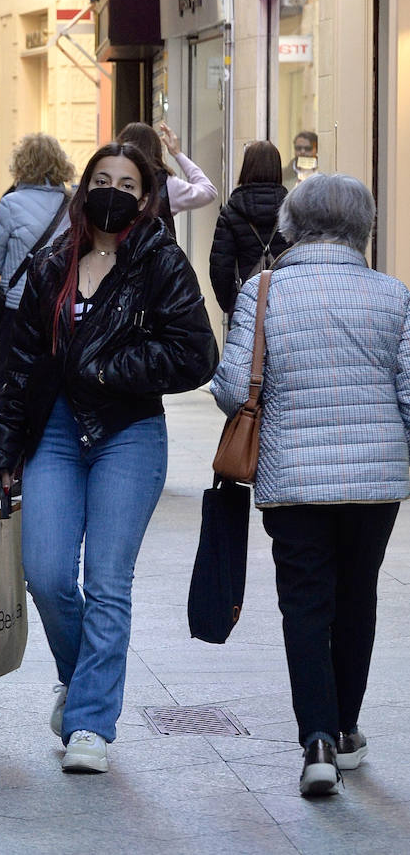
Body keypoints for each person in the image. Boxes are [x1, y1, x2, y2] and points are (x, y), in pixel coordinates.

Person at [0, 141, 217, 775]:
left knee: (107, 582)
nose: (113, 191)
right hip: (55, 432)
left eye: (128, 183)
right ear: (84, 188)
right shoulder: (52, 261)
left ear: (146, 199)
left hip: (129, 431)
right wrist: (4, 449)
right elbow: (20, 366)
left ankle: (90, 724)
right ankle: (79, 679)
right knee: (49, 574)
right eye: (102, 179)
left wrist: (109, 367)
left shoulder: (161, 263)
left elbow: (197, 355)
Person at [211, 173, 410, 799]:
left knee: (303, 600)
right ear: (364, 228)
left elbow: (229, 387)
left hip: (292, 477)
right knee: (358, 595)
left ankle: (316, 740)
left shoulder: (262, 292)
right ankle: (346, 729)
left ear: (290, 226)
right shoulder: (393, 296)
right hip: (375, 481)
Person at [0, 133, 74, 388]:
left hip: (16, 305)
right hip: (58, 305)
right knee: (52, 381)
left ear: (21, 164)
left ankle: (7, 425)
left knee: (8, 379)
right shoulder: (72, 205)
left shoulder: (10, 204)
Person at [208, 140, 288, 319]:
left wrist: (230, 304)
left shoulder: (231, 212)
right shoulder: (293, 211)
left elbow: (220, 268)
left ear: (247, 168)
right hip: (284, 303)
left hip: (245, 303)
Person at [118, 122, 218, 237]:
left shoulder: (111, 180)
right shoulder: (166, 184)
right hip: (155, 253)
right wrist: (177, 154)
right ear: (155, 150)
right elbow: (209, 191)